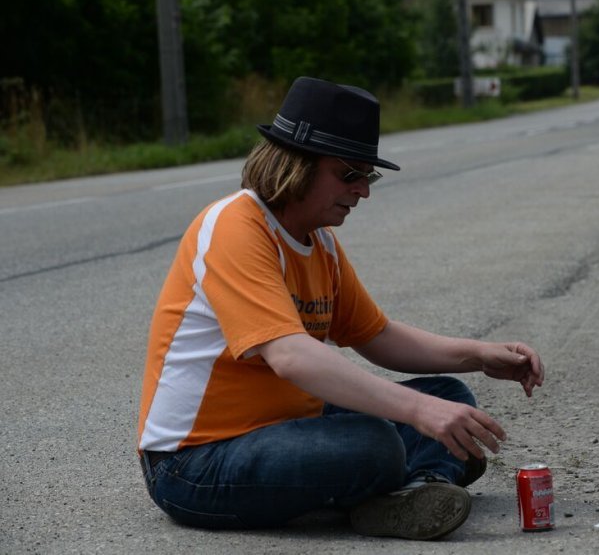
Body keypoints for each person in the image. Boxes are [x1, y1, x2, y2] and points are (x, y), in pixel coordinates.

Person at [137, 76, 545, 540]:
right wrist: (417, 413)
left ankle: (415, 490)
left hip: (288, 427)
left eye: (367, 176)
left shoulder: (322, 243)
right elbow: (290, 356)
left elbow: (377, 336)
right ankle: (400, 478)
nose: (363, 191)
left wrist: (479, 355)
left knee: (449, 396)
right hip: (193, 462)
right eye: (349, 174)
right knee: (377, 443)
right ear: (296, 164)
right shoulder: (235, 226)